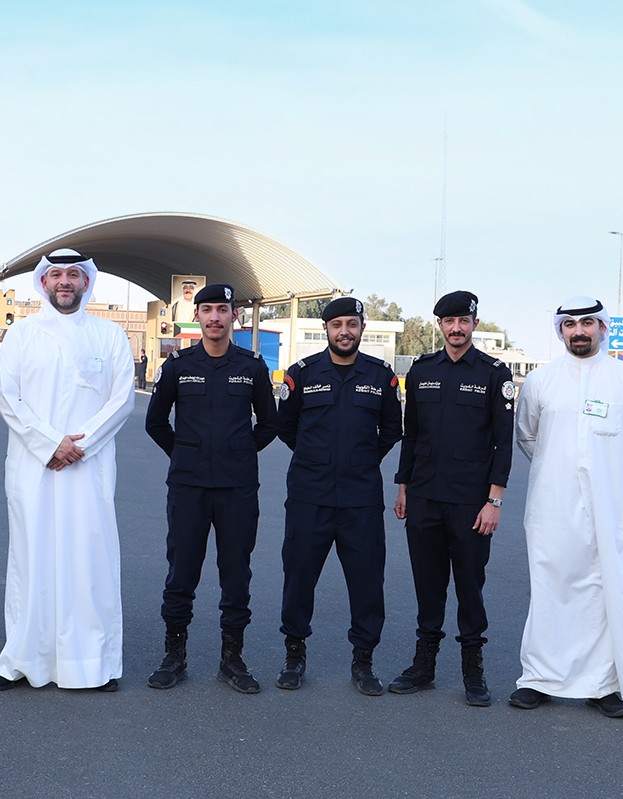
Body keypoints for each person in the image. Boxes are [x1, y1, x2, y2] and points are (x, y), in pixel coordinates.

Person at [0, 249, 136, 692]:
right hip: (33, 467)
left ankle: (90, 664)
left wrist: (77, 447)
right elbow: (7, 397)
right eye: (56, 275)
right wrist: (51, 443)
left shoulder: (109, 335)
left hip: (88, 469)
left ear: (86, 282)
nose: (65, 282)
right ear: (44, 282)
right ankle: (22, 660)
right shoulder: (22, 334)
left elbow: (122, 400)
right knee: (31, 561)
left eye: (73, 274)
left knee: (88, 561)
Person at [510, 296, 623, 717]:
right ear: (560, 331)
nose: (579, 331)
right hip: (551, 504)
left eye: (587, 323)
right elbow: (528, 436)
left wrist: (604, 472)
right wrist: (564, 468)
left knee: (604, 587)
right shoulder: (541, 380)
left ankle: (604, 684)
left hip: (608, 505)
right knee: (550, 586)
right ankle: (538, 678)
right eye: (570, 324)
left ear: (603, 328)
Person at [144, 282, 278, 693]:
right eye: (208, 310)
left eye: (222, 309)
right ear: (197, 316)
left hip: (237, 487)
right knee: (181, 573)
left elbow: (269, 424)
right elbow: (155, 422)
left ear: (234, 316)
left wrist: (239, 452)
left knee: (236, 574)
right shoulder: (178, 365)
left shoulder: (252, 366)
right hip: (189, 486)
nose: (215, 317)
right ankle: (174, 656)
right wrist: (185, 454)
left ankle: (232, 659)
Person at [389, 290, 513, 706]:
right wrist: (404, 486)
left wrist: (494, 501)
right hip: (424, 495)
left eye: (463, 321)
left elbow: (503, 443)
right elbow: (412, 435)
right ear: (439, 325)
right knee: (428, 583)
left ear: (475, 323)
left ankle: (472, 670)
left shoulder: (495, 373)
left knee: (469, 585)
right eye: (449, 321)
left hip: (471, 502)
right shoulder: (422, 370)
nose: (456, 328)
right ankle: (423, 665)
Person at [276, 296, 402, 695]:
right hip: (309, 495)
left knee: (367, 582)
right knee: (299, 577)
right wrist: (316, 458)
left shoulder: (381, 376)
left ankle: (363, 661)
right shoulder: (302, 373)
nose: (344, 331)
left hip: (360, 498)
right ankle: (294, 656)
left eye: (352, 324)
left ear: (362, 328)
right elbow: (286, 427)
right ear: (326, 329)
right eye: (337, 325)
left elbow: (392, 429)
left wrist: (360, 459)